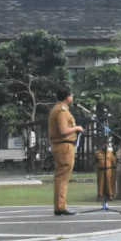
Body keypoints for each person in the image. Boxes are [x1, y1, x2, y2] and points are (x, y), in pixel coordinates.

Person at [48, 87, 84, 215]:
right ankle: (60, 207)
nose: (72, 97)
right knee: (62, 177)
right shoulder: (62, 111)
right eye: (71, 95)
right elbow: (63, 131)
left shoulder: (57, 109)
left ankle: (60, 205)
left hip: (61, 146)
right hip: (64, 146)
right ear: (68, 97)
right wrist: (76, 128)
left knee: (61, 176)